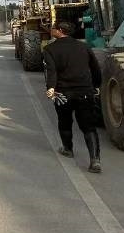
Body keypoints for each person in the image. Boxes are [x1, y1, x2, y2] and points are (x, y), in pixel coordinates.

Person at [43, 20, 103, 172]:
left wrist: (50, 88)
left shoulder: (50, 49)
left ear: (60, 31)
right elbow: (95, 68)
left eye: (53, 28)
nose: (51, 30)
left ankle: (68, 149)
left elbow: (52, 72)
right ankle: (95, 161)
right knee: (89, 126)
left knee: (64, 121)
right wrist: (96, 86)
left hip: (63, 94)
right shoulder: (84, 46)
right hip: (85, 92)